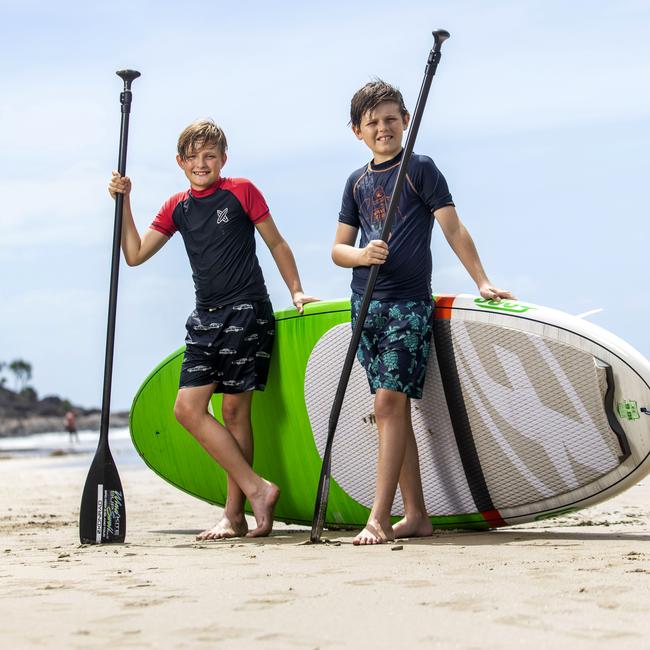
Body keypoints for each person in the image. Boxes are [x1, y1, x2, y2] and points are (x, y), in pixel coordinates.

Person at [109, 118, 317, 539]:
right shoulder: (177, 207)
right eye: (193, 157)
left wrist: (296, 290)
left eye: (210, 156)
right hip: (205, 316)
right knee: (187, 409)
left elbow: (276, 242)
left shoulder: (241, 191)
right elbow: (134, 254)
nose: (201, 163)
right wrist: (123, 202)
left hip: (245, 310)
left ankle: (234, 513)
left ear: (223, 159)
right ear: (180, 162)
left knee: (235, 412)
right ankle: (257, 488)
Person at [332, 80, 514, 545]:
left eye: (391, 119)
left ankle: (378, 517)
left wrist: (482, 280)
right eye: (372, 122)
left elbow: (452, 228)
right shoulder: (356, 182)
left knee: (387, 404)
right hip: (364, 307)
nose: (383, 128)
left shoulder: (420, 169)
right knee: (392, 411)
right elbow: (338, 249)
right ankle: (416, 514)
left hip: (407, 305)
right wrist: (361, 256)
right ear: (357, 131)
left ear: (406, 121)